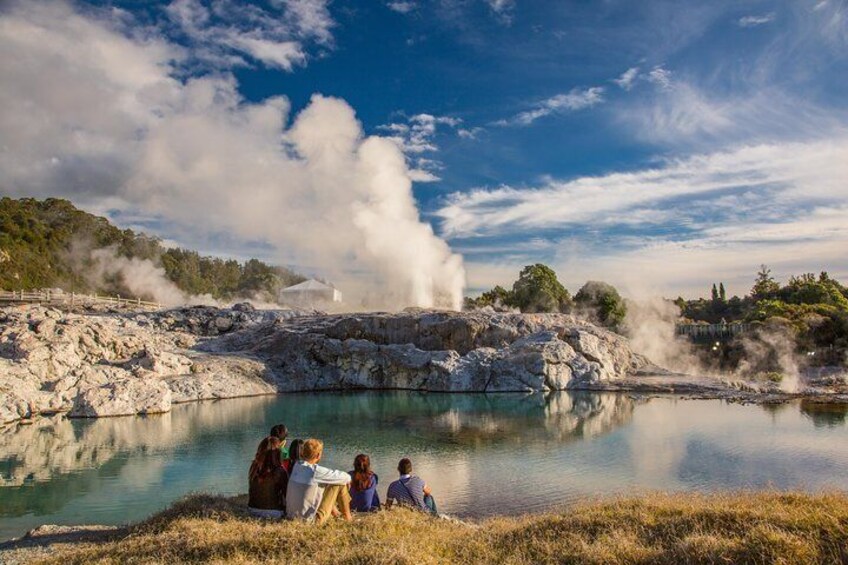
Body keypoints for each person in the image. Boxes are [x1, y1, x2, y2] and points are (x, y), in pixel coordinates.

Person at [286, 438, 352, 524]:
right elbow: (347, 477)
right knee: (339, 483)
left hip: (291, 517)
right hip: (310, 521)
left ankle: (337, 514)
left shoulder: (296, 466)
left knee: (328, 482)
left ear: (302, 453)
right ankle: (348, 518)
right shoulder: (315, 471)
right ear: (318, 455)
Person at [247, 436, 288, 519]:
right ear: (277, 453)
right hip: (274, 512)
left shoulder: (254, 466)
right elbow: (287, 494)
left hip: (252, 509)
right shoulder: (279, 471)